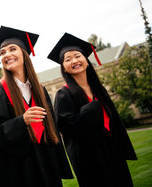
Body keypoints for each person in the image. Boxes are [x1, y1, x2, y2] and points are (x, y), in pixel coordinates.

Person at [0, 26, 73, 187]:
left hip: (45, 163)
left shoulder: (40, 91)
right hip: (19, 170)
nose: (7, 54)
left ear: (25, 54)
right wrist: (22, 121)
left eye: (12, 49)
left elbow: (52, 129)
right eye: (3, 52)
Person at [48, 32, 137, 187]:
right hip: (90, 157)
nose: (74, 61)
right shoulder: (64, 94)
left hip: (113, 150)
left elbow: (114, 120)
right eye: (68, 59)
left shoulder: (99, 89)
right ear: (64, 68)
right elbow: (65, 127)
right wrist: (90, 110)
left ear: (86, 61)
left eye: (78, 56)